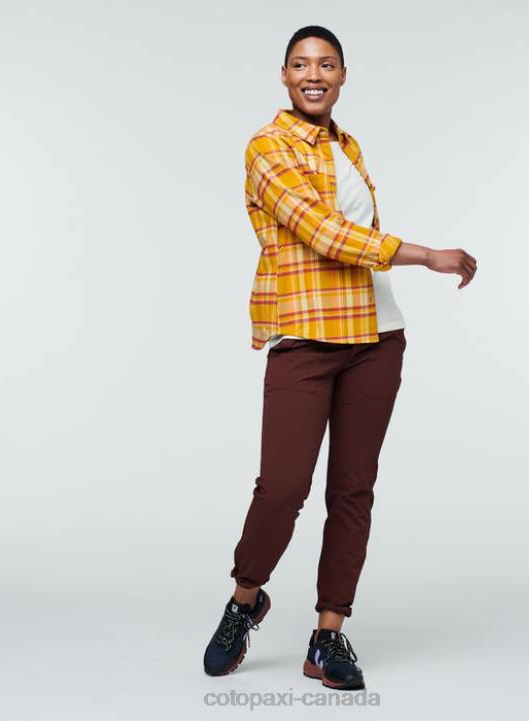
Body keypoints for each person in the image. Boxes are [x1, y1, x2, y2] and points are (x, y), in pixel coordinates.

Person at [203, 25, 477, 690]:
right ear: (283, 75)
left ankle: (328, 632)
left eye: (326, 64)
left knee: (352, 489)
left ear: (343, 76)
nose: (313, 75)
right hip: (306, 336)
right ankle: (245, 599)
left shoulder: (346, 146)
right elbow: (324, 234)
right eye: (300, 64)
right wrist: (426, 255)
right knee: (282, 488)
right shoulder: (267, 147)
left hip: (376, 340)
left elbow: (354, 237)